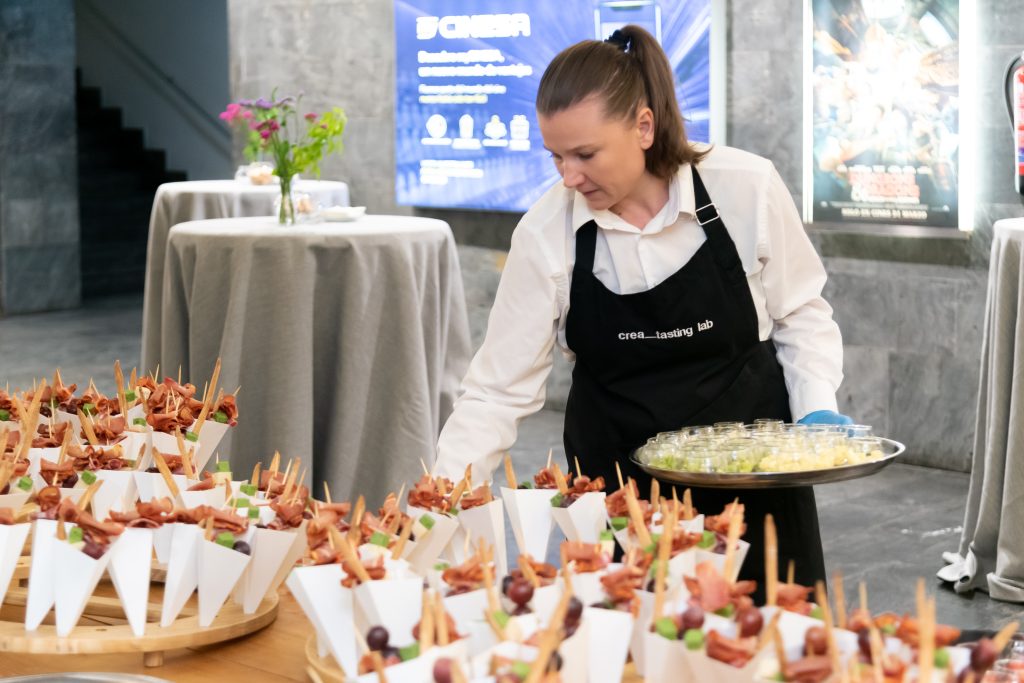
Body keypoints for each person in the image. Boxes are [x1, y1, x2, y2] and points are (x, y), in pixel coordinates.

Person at [434, 25, 853, 591]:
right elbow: (496, 390)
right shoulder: (546, 232)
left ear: (644, 126)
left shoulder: (744, 186)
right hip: (621, 494)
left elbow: (800, 312)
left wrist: (815, 412)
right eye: (555, 156)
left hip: (754, 485)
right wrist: (442, 495)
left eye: (585, 154)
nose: (569, 177)